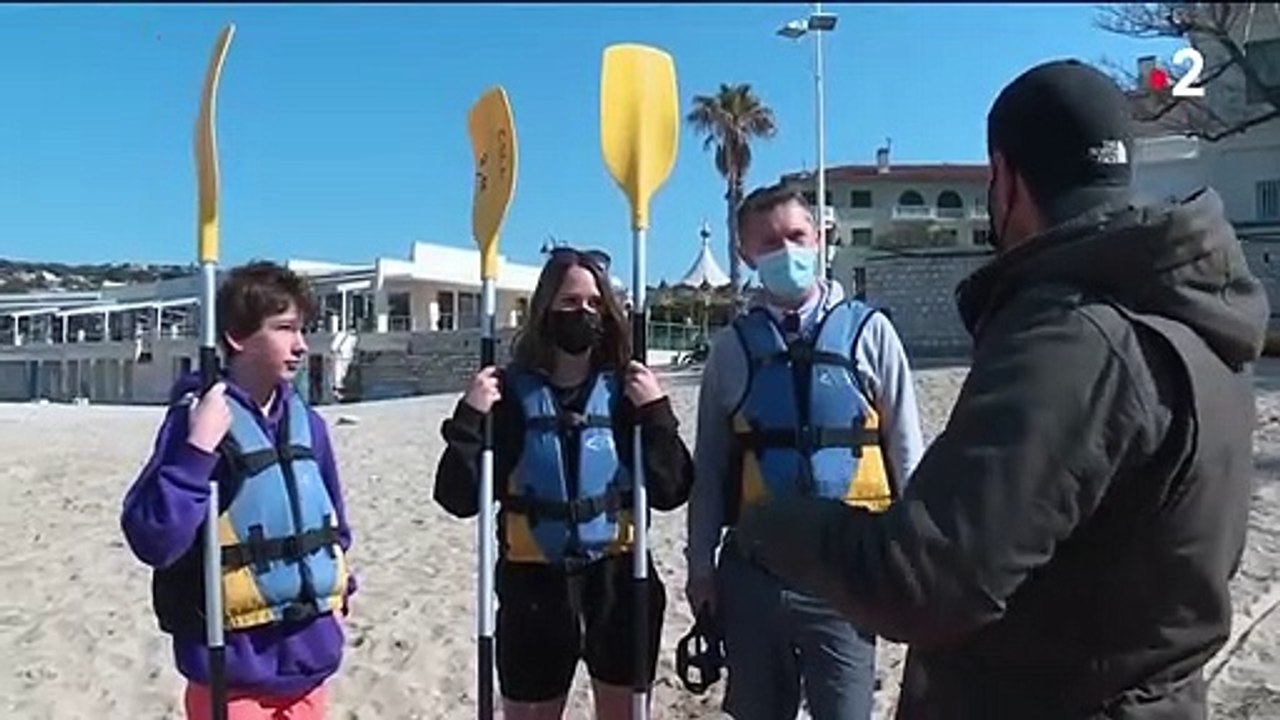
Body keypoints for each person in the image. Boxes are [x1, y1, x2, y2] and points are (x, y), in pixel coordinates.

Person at [733, 59, 1269, 718]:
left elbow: (924, 580)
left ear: (1006, 180)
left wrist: (773, 525)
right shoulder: (1198, 318)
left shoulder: (1073, 337)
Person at [685, 182, 925, 720]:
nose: (786, 251)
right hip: (755, 571)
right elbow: (711, 469)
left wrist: (915, 559)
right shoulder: (732, 349)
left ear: (818, 238)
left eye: (796, 236)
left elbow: (907, 450)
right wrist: (700, 568)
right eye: (769, 243)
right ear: (747, 254)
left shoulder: (871, 334)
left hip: (847, 574)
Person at [433, 247, 695, 720]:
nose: (584, 313)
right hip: (534, 584)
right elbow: (457, 498)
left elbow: (672, 490)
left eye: (594, 303)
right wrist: (470, 417)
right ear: (546, 309)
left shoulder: (627, 391)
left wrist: (657, 413)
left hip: (618, 577)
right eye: (570, 302)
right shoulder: (509, 396)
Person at [121, 261, 356, 720]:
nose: (301, 345)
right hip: (232, 674)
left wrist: (339, 591)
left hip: (311, 669)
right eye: (284, 329)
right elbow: (153, 538)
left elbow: (335, 529)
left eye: (301, 329)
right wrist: (196, 451)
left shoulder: (310, 425)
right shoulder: (196, 420)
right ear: (237, 337)